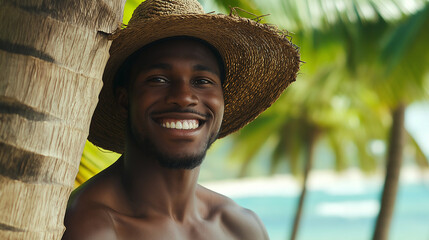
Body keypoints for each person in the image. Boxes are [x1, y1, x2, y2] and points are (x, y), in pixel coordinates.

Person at [62, 0, 300, 239]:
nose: (184, 97)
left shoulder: (238, 225)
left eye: (202, 81)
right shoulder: (91, 226)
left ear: (222, 100)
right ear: (125, 99)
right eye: (158, 79)